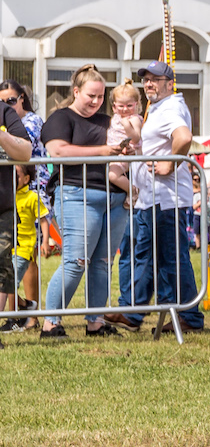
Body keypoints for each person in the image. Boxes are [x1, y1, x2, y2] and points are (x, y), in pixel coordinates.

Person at [40, 65, 134, 338]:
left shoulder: (108, 120)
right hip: (77, 195)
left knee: (103, 263)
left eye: (101, 96)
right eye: (91, 95)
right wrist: (104, 151)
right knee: (75, 262)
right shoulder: (61, 118)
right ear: (76, 92)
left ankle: (96, 323)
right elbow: (58, 151)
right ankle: (50, 323)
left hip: (115, 199)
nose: (96, 101)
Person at [126, 60, 202, 338]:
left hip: (167, 197)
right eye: (146, 79)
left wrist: (171, 162)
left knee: (171, 258)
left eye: (155, 79)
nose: (149, 83)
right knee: (158, 257)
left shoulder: (170, 107)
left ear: (170, 84)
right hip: (155, 196)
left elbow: (183, 136)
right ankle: (147, 312)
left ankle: (182, 316)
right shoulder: (159, 107)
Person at [0, 80, 46, 328]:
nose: (7, 103)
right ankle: (23, 309)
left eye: (11, 100)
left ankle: (27, 313)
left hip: (19, 193)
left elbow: (25, 152)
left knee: (14, 263)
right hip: (14, 191)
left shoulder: (16, 117)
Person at [103, 81, 145, 328]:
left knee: (134, 247)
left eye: (130, 105)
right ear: (114, 106)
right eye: (121, 106)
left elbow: (136, 137)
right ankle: (127, 303)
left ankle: (133, 191)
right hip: (120, 160)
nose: (125, 109)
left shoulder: (134, 119)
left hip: (131, 160)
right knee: (127, 248)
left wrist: (128, 124)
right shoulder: (113, 119)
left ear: (137, 105)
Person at [0, 92, 34, 342]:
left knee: (1, 265)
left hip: (3, 204)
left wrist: (1, 135)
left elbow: (25, 152)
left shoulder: (4, 112)